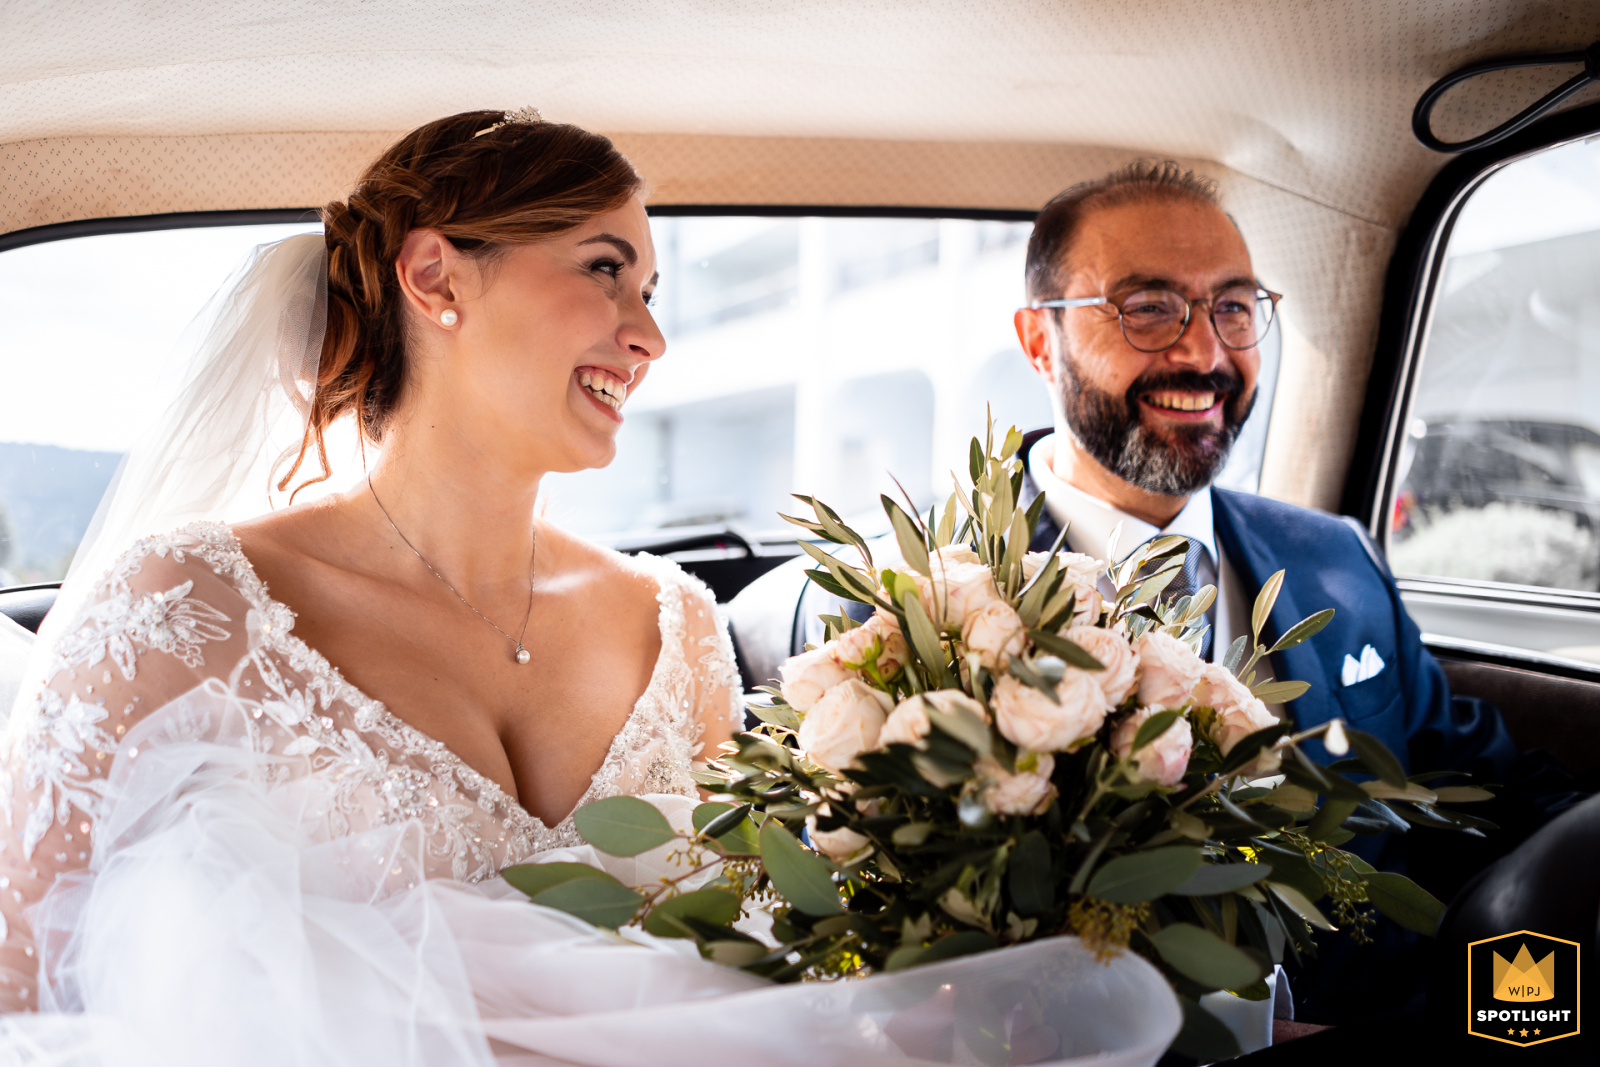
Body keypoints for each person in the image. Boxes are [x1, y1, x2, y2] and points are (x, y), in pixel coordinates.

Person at [0, 112, 1177, 1066]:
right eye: (607, 271)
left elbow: (745, 964)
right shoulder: (185, 604)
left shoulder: (675, 624)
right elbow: (23, 989)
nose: (647, 334)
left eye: (652, 289)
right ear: (435, 276)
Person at [1010, 160, 1589, 1022]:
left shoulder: (1336, 560)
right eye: (1149, 307)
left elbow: (1478, 785)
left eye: (1234, 308)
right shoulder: (919, 609)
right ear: (1039, 340)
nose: (1205, 352)